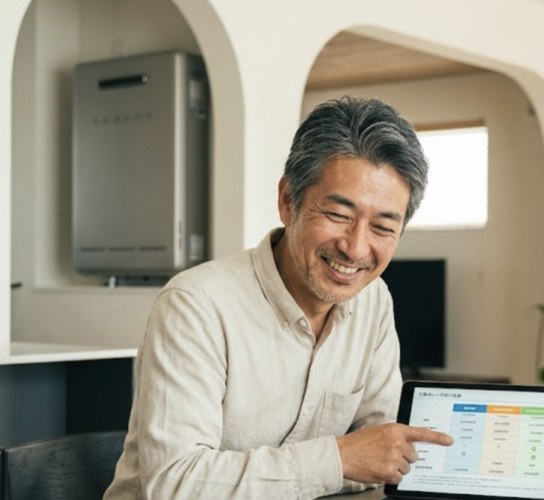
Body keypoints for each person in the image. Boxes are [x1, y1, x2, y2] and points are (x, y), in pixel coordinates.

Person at [104, 96, 453, 500]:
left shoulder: (373, 301)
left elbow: (384, 454)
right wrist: (338, 460)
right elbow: (178, 483)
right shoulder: (195, 305)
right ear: (288, 201)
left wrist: (370, 459)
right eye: (338, 215)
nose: (356, 249)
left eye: (382, 226)